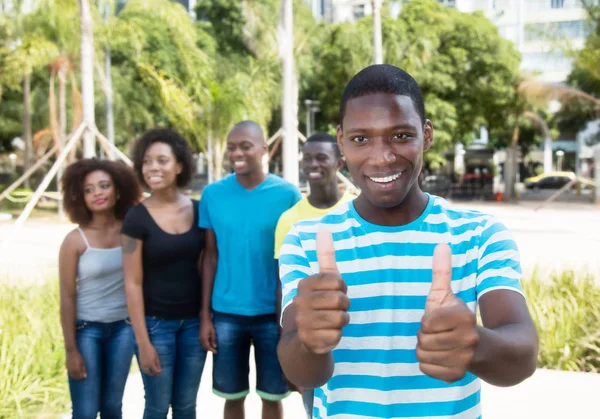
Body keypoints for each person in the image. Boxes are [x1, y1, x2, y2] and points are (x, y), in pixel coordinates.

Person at [277, 64, 539, 418]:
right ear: (341, 142)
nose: (381, 156)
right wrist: (311, 344)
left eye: (400, 135)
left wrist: (476, 344)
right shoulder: (307, 240)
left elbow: (522, 355)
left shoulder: (479, 235)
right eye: (360, 139)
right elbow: (300, 375)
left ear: (426, 135)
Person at [199, 120, 302, 419]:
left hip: (272, 315)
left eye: (245, 146)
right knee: (232, 397)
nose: (236, 153)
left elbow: (293, 260)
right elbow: (209, 256)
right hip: (227, 314)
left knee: (272, 396)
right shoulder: (212, 194)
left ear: (264, 150)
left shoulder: (287, 195)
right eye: (231, 147)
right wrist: (205, 316)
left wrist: (291, 321)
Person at [121, 128, 206, 419]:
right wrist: (143, 342)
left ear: (179, 165)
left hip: (194, 326)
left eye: (162, 160)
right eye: (147, 161)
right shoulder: (135, 217)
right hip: (156, 327)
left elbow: (206, 265)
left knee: (186, 407)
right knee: (157, 407)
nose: (153, 167)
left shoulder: (199, 210)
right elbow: (132, 283)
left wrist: (207, 318)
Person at [273, 132, 355, 418]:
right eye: (307, 158)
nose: (312, 164)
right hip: (310, 339)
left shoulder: (357, 211)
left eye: (321, 157)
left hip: (355, 334)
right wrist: (289, 343)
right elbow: (282, 289)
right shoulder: (289, 219)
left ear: (340, 163)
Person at [59, 158, 142, 419]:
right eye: (89, 189)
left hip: (123, 329)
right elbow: (67, 297)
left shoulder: (129, 234)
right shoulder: (75, 241)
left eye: (104, 186)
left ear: (117, 191)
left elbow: (137, 278)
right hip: (87, 331)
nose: (97, 193)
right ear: (80, 197)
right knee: (84, 411)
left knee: (111, 408)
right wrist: (71, 350)